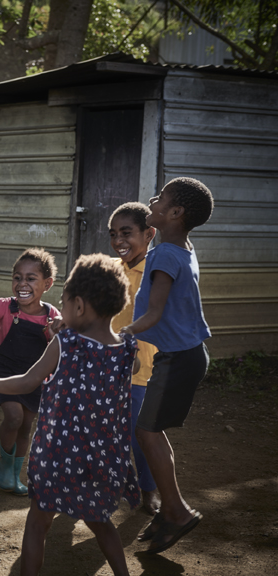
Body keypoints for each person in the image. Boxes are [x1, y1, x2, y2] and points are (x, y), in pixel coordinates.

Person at [0, 253, 141, 576]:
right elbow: (135, 367)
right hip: (102, 457)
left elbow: (28, 380)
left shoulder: (67, 343)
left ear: (78, 306)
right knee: (100, 523)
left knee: (37, 525)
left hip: (59, 454)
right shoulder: (127, 350)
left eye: (63, 301)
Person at [121, 177, 214, 554]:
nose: (152, 200)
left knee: (146, 432)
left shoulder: (162, 254)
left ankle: (177, 510)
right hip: (183, 357)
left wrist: (125, 333)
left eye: (160, 198)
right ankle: (169, 509)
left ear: (174, 212)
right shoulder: (184, 249)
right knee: (151, 431)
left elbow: (155, 311)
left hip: (178, 360)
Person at [0, 248, 60, 495]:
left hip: (34, 376)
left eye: (31, 278)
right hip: (5, 369)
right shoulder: (5, 306)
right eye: (17, 277)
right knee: (14, 418)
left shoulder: (52, 316)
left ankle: (13, 476)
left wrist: (53, 333)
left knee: (26, 427)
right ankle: (4, 467)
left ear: (47, 284)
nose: (22, 283)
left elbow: (57, 345)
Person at [107, 202, 161, 515]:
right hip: (107, 364)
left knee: (139, 433)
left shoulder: (156, 271)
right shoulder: (112, 270)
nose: (118, 241)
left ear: (149, 233)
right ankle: (107, 483)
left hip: (143, 367)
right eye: (113, 234)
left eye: (126, 233)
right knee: (104, 428)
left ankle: (149, 489)